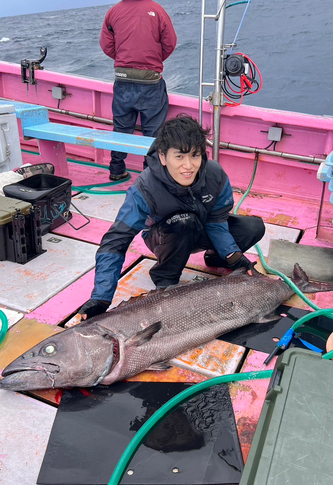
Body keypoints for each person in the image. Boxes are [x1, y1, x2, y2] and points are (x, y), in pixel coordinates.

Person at [78, 115, 265, 319]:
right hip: (164, 236)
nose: (189, 166)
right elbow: (116, 242)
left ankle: (216, 257)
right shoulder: (144, 188)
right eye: (179, 157)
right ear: (162, 157)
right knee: (184, 220)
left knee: (253, 227)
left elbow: (216, 220)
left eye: (195, 155)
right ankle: (165, 276)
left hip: (200, 227)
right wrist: (102, 297)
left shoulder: (215, 174)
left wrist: (235, 258)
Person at [100, 0, 177, 181]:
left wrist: (124, 60)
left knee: (121, 129)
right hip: (150, 81)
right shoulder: (157, 9)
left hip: (122, 79)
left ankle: (117, 169)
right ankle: (149, 174)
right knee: (153, 132)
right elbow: (170, 43)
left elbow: (106, 45)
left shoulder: (113, 12)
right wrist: (152, 61)